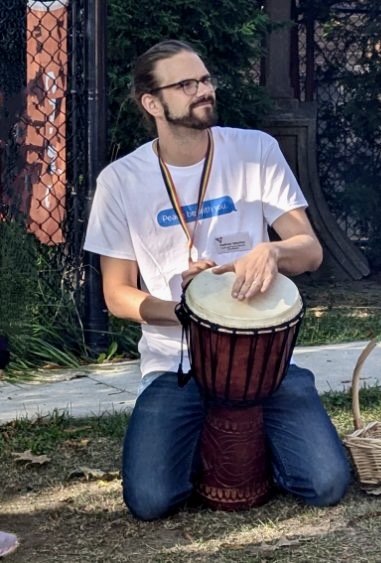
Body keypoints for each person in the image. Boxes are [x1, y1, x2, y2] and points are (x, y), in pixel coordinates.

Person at [84, 39, 351, 521]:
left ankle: (253, 443)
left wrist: (271, 251)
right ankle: (216, 440)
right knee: (149, 501)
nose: (203, 90)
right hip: (175, 365)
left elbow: (309, 251)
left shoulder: (255, 150)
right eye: (185, 84)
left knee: (327, 483)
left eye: (205, 79)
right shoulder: (120, 182)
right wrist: (189, 310)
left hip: (262, 362)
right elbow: (117, 294)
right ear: (152, 103)